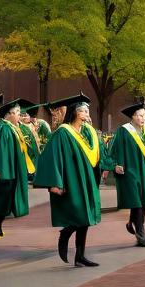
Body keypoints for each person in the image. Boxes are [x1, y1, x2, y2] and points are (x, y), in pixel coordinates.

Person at [32, 93, 104, 266]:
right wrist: (54, 183)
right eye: (85, 111)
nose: (87, 114)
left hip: (86, 179)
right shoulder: (63, 133)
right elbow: (51, 157)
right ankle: (65, 233)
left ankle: (80, 255)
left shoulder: (86, 133)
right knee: (79, 214)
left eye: (87, 111)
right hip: (72, 180)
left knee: (86, 217)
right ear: (76, 113)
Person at [108, 100, 145, 247]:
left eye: (144, 116)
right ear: (132, 117)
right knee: (137, 203)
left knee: (143, 204)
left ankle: (131, 223)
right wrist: (115, 165)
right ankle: (141, 236)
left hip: (143, 171)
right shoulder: (124, 131)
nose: (142, 119)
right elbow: (113, 149)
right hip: (129, 171)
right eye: (139, 116)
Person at [0, 96, 26, 238]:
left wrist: (2, 172)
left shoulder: (6, 130)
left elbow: (10, 154)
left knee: (4, 206)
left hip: (4, 176)